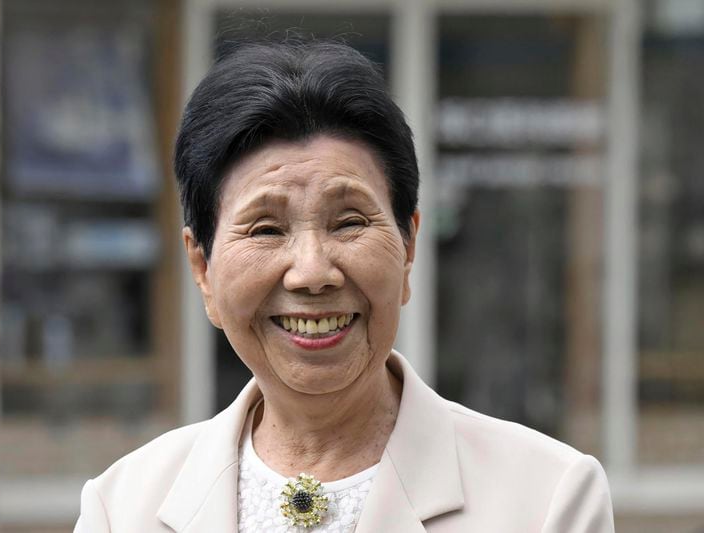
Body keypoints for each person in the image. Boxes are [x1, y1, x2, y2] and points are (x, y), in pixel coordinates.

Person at [74, 40, 614, 533]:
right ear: (203, 269)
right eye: (266, 229)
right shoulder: (123, 508)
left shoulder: (546, 498)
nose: (312, 273)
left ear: (408, 246)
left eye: (349, 222)